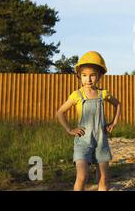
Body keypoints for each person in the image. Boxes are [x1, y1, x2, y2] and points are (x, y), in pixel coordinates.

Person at [56, 51, 121, 191]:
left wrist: (113, 122)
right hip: (83, 141)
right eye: (84, 75)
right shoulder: (77, 95)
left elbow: (118, 104)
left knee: (103, 178)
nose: (88, 79)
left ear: (99, 76)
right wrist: (69, 129)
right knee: (82, 177)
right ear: (79, 75)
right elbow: (60, 112)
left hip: (101, 140)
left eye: (92, 75)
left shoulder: (103, 93)